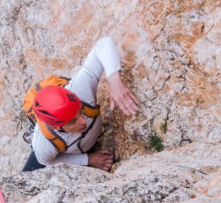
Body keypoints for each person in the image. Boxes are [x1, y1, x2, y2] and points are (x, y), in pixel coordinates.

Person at [22, 37, 140, 173]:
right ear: (56, 126)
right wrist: (88, 159)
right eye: (73, 121)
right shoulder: (44, 144)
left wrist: (115, 82)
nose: (83, 121)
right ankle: (32, 132)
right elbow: (48, 161)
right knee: (26, 177)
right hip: (62, 147)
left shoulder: (79, 91)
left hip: (74, 143)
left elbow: (104, 43)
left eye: (80, 111)